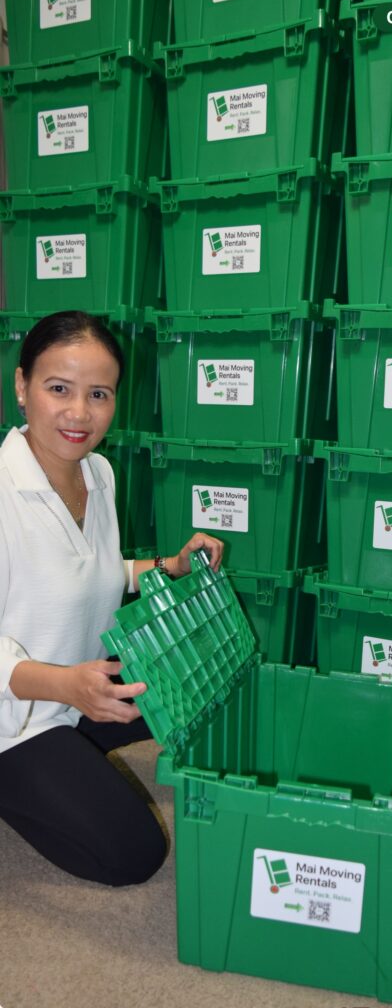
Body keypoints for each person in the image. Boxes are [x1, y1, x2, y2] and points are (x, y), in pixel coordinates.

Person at [0, 310, 224, 886]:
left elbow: (87, 569)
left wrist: (166, 566)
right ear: (21, 386)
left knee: (204, 687)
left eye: (98, 394)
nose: (80, 413)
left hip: (80, 685)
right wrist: (65, 684)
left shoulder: (97, 471)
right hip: (16, 719)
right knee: (134, 853)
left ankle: (74, 750)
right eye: (58, 389)